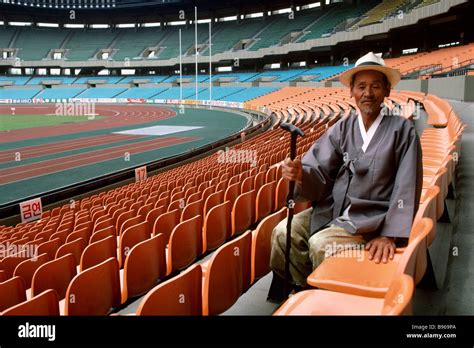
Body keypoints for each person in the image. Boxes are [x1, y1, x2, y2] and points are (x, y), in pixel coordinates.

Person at [268, 52, 423, 301]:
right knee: (282, 233)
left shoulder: (402, 130)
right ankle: (306, 290)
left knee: (321, 244)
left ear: (387, 91)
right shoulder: (343, 127)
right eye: (361, 86)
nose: (368, 93)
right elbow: (317, 169)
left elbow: (407, 185)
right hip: (334, 209)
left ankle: (332, 298)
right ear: (351, 91)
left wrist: (389, 234)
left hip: (373, 219)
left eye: (375, 86)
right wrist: (300, 175)